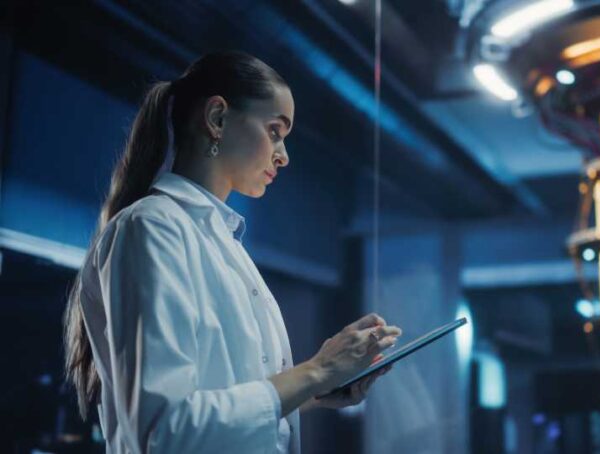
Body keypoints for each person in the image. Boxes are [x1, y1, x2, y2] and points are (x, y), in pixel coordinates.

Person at [62, 51, 401, 453]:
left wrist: (319, 389)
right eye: (275, 131)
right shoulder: (152, 227)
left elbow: (226, 398)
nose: (283, 155)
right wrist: (316, 371)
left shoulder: (223, 242)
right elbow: (165, 431)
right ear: (218, 118)